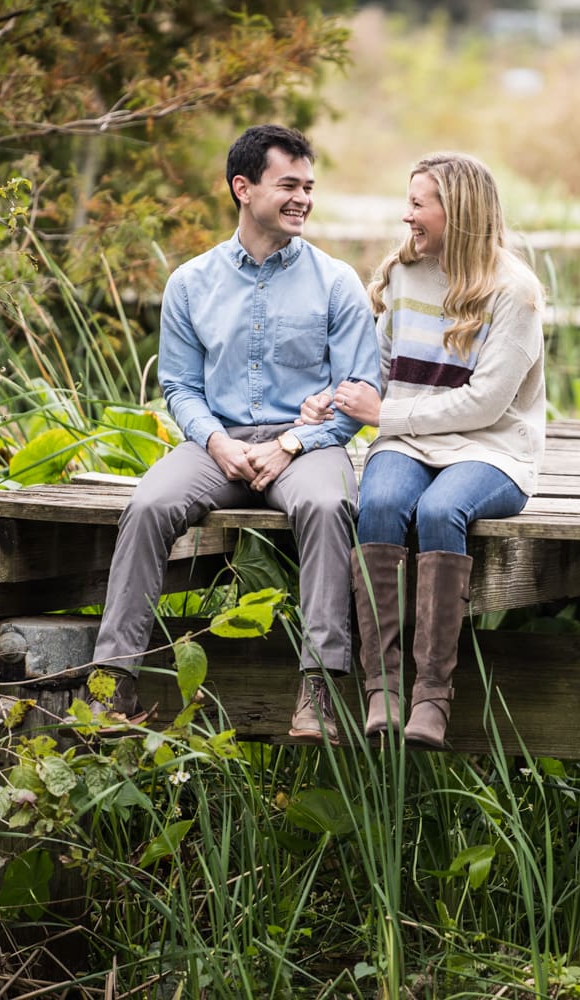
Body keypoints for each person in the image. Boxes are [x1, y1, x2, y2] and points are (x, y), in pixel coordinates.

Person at [91, 124, 380, 743]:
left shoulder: (337, 282)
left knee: (331, 505)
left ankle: (321, 689)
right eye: (289, 185)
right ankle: (113, 681)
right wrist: (218, 442)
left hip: (308, 446)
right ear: (242, 188)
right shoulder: (191, 283)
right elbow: (179, 388)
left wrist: (291, 443)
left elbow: (359, 395)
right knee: (147, 504)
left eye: (309, 186)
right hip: (216, 444)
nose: (303, 198)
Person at [301, 152, 545, 748]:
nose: (406, 215)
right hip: (406, 441)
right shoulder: (406, 274)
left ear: (455, 212)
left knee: (440, 512)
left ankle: (432, 695)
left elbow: (485, 405)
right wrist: (331, 401)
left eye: (418, 204)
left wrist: (383, 413)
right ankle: (382, 688)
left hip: (491, 450)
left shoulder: (514, 292)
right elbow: (379, 370)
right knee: (380, 505)